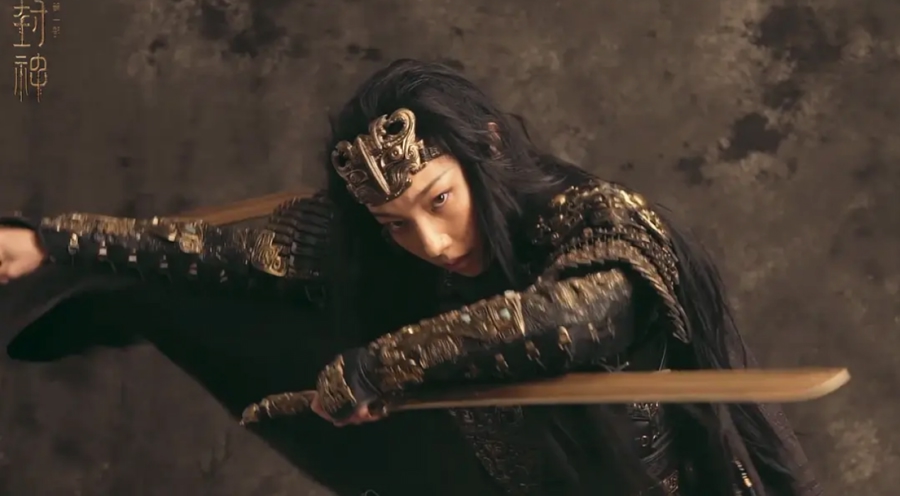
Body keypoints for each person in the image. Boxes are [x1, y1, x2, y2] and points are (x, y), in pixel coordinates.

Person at [0, 59, 821, 496]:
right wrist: (57, 241)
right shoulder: (377, 244)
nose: (429, 242)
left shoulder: (593, 218)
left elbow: (575, 318)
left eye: (439, 200)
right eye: (396, 222)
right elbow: (215, 253)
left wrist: (380, 365)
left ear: (485, 150)